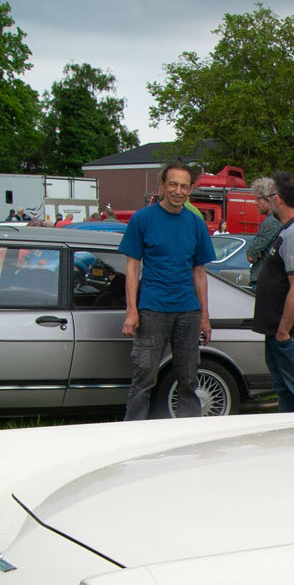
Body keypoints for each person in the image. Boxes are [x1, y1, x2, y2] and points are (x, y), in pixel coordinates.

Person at [119, 162, 216, 420]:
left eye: (184, 186)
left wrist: (204, 317)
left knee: (188, 380)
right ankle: (132, 437)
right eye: (173, 184)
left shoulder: (196, 224)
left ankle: (189, 439)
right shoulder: (142, 219)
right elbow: (132, 267)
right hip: (152, 311)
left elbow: (199, 273)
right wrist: (132, 311)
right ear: (162, 186)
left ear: (190, 189)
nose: (178, 191)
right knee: (144, 379)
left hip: (188, 313)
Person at [252, 172, 294, 413]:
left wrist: (283, 332)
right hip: (284, 332)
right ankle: (292, 445)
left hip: (293, 335)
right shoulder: (290, 230)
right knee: (286, 393)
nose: (269, 201)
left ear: (278, 199)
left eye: (270, 196)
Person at [244, 176, 282, 289]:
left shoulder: (271, 221)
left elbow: (251, 255)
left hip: (263, 281)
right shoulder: (279, 219)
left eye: (258, 198)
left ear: (268, 198)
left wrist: (257, 253)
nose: (255, 203)